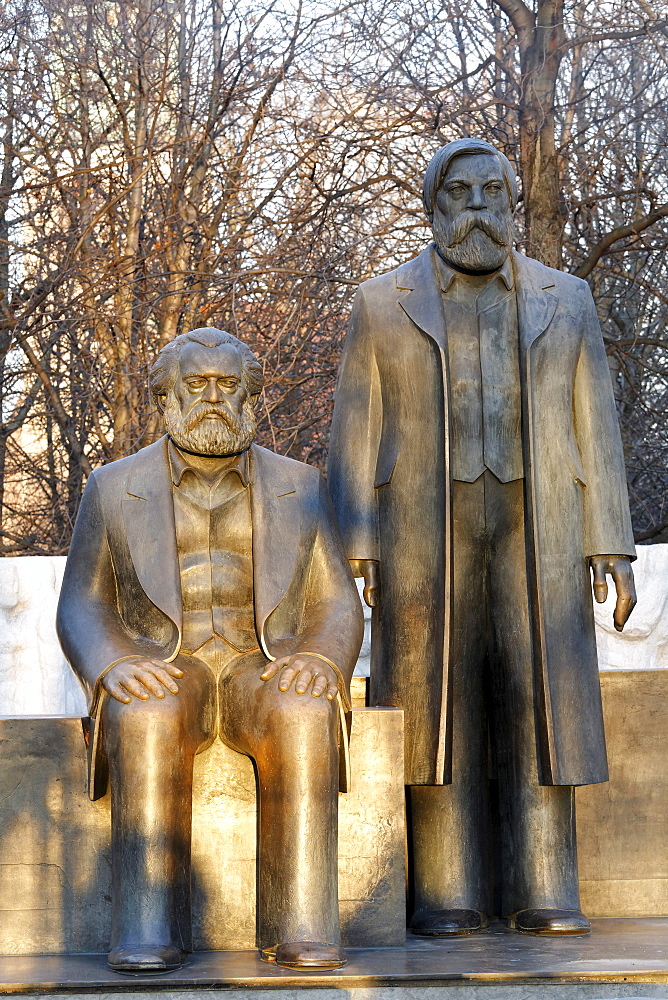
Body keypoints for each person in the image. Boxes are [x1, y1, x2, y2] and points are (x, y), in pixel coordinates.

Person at [327, 137, 636, 936]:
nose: (475, 210)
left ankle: (545, 888)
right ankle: (446, 891)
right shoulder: (380, 301)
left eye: (490, 194)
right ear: (432, 206)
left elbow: (593, 417)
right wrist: (354, 540)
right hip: (422, 530)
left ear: (511, 204)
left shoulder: (566, 296)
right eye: (457, 194)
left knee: (543, 698)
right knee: (437, 701)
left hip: (545, 526)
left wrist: (612, 539)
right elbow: (355, 428)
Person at [57, 328, 363, 972]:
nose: (213, 399)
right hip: (166, 659)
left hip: (264, 661)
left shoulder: (302, 484)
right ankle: (147, 928)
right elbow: (82, 603)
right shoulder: (112, 487)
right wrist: (115, 663)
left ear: (251, 394)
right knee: (145, 712)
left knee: (304, 710)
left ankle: (302, 924)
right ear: (166, 395)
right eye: (197, 385)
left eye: (229, 385)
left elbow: (335, 600)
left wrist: (321, 658)